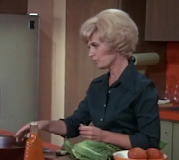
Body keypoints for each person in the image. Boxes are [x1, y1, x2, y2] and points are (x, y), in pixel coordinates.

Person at [16, 9, 160, 150]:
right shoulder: (98, 86)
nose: (91, 53)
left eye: (95, 46)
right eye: (89, 47)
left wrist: (104, 136)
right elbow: (74, 124)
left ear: (117, 43)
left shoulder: (142, 87)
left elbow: (149, 141)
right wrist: (44, 124)